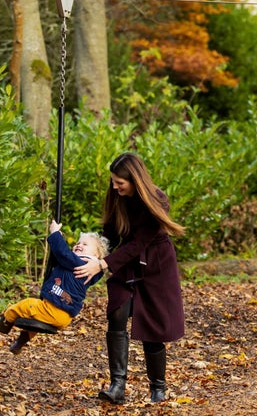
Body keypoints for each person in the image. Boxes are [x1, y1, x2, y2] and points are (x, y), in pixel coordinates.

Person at [74, 152, 185, 404]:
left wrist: (103, 265)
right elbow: (111, 234)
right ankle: (117, 386)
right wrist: (92, 253)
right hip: (127, 264)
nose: (114, 186)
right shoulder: (117, 197)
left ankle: (158, 389)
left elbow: (139, 243)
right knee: (117, 313)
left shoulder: (157, 200)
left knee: (153, 328)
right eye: (113, 181)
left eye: (119, 182)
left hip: (157, 265)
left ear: (134, 179)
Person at [0, 220, 109, 354]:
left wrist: (55, 233)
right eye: (78, 243)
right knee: (34, 323)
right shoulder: (79, 266)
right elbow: (61, 256)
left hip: (56, 309)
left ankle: (4, 323)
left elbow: (63, 253)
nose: (79, 245)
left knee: (26, 304)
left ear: (96, 256)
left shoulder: (82, 263)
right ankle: (19, 343)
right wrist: (58, 240)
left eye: (85, 244)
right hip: (61, 315)